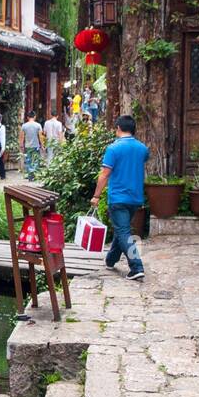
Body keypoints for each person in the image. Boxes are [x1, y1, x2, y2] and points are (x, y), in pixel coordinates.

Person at [89, 114, 149, 281]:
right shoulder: (142, 148)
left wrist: (96, 196)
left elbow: (104, 174)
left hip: (118, 197)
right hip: (135, 197)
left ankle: (136, 266)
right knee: (121, 229)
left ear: (118, 128)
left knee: (123, 231)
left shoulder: (113, 149)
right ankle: (111, 260)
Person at [19, 112, 44, 177]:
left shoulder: (24, 126)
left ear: (27, 117)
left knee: (28, 160)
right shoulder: (38, 125)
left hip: (28, 146)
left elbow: (22, 136)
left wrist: (21, 145)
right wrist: (42, 145)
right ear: (35, 117)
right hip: (36, 146)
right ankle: (35, 174)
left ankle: (30, 175)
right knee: (36, 160)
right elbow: (40, 136)